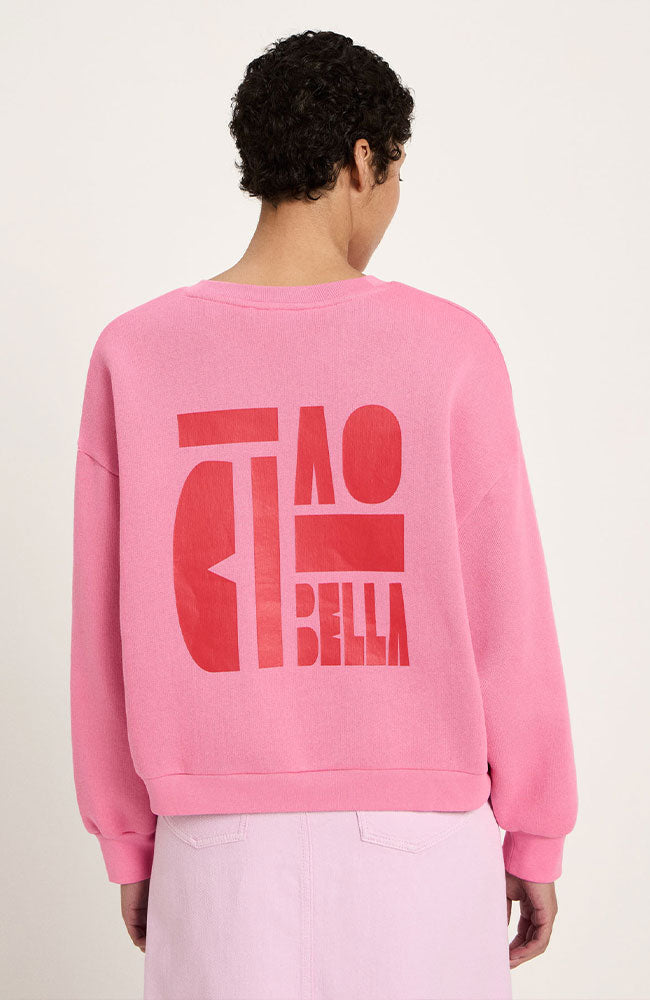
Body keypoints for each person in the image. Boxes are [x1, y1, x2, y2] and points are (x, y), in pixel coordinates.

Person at [70, 29, 578, 1000]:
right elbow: (505, 612)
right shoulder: (451, 349)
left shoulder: (134, 354)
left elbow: (104, 628)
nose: (390, 199)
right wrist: (535, 832)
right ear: (359, 160)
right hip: (421, 846)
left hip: (213, 846)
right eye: (395, 174)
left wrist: (129, 840)